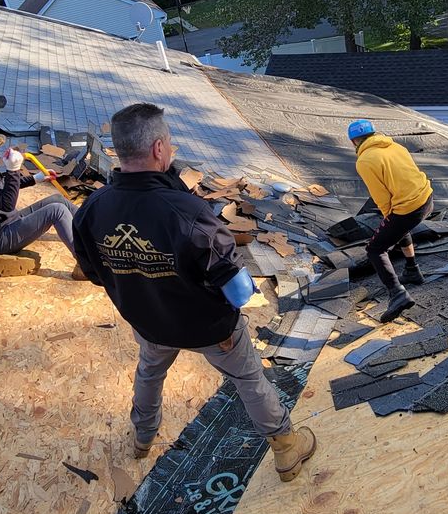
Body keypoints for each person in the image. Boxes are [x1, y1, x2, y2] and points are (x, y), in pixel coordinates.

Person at [72, 102, 316, 482]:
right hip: (210, 329)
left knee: (150, 373)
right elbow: (236, 290)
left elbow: (94, 272)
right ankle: (286, 447)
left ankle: (142, 437)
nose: (172, 149)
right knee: (249, 380)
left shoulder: (92, 208)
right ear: (157, 149)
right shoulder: (186, 211)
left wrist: (141, 286)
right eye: (169, 142)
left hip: (150, 322)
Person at [0, 119, 86, 279]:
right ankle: (86, 265)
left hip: (5, 221)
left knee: (58, 199)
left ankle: (90, 227)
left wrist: (35, 179)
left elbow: (2, 184)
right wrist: (13, 170)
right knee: (57, 211)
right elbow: (7, 204)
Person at [348, 119, 434, 324]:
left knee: (375, 249)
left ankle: (397, 295)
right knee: (399, 228)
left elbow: (380, 196)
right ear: (375, 134)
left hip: (409, 209)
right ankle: (413, 271)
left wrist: (389, 216)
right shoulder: (396, 146)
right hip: (426, 198)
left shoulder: (365, 160)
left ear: (354, 142)